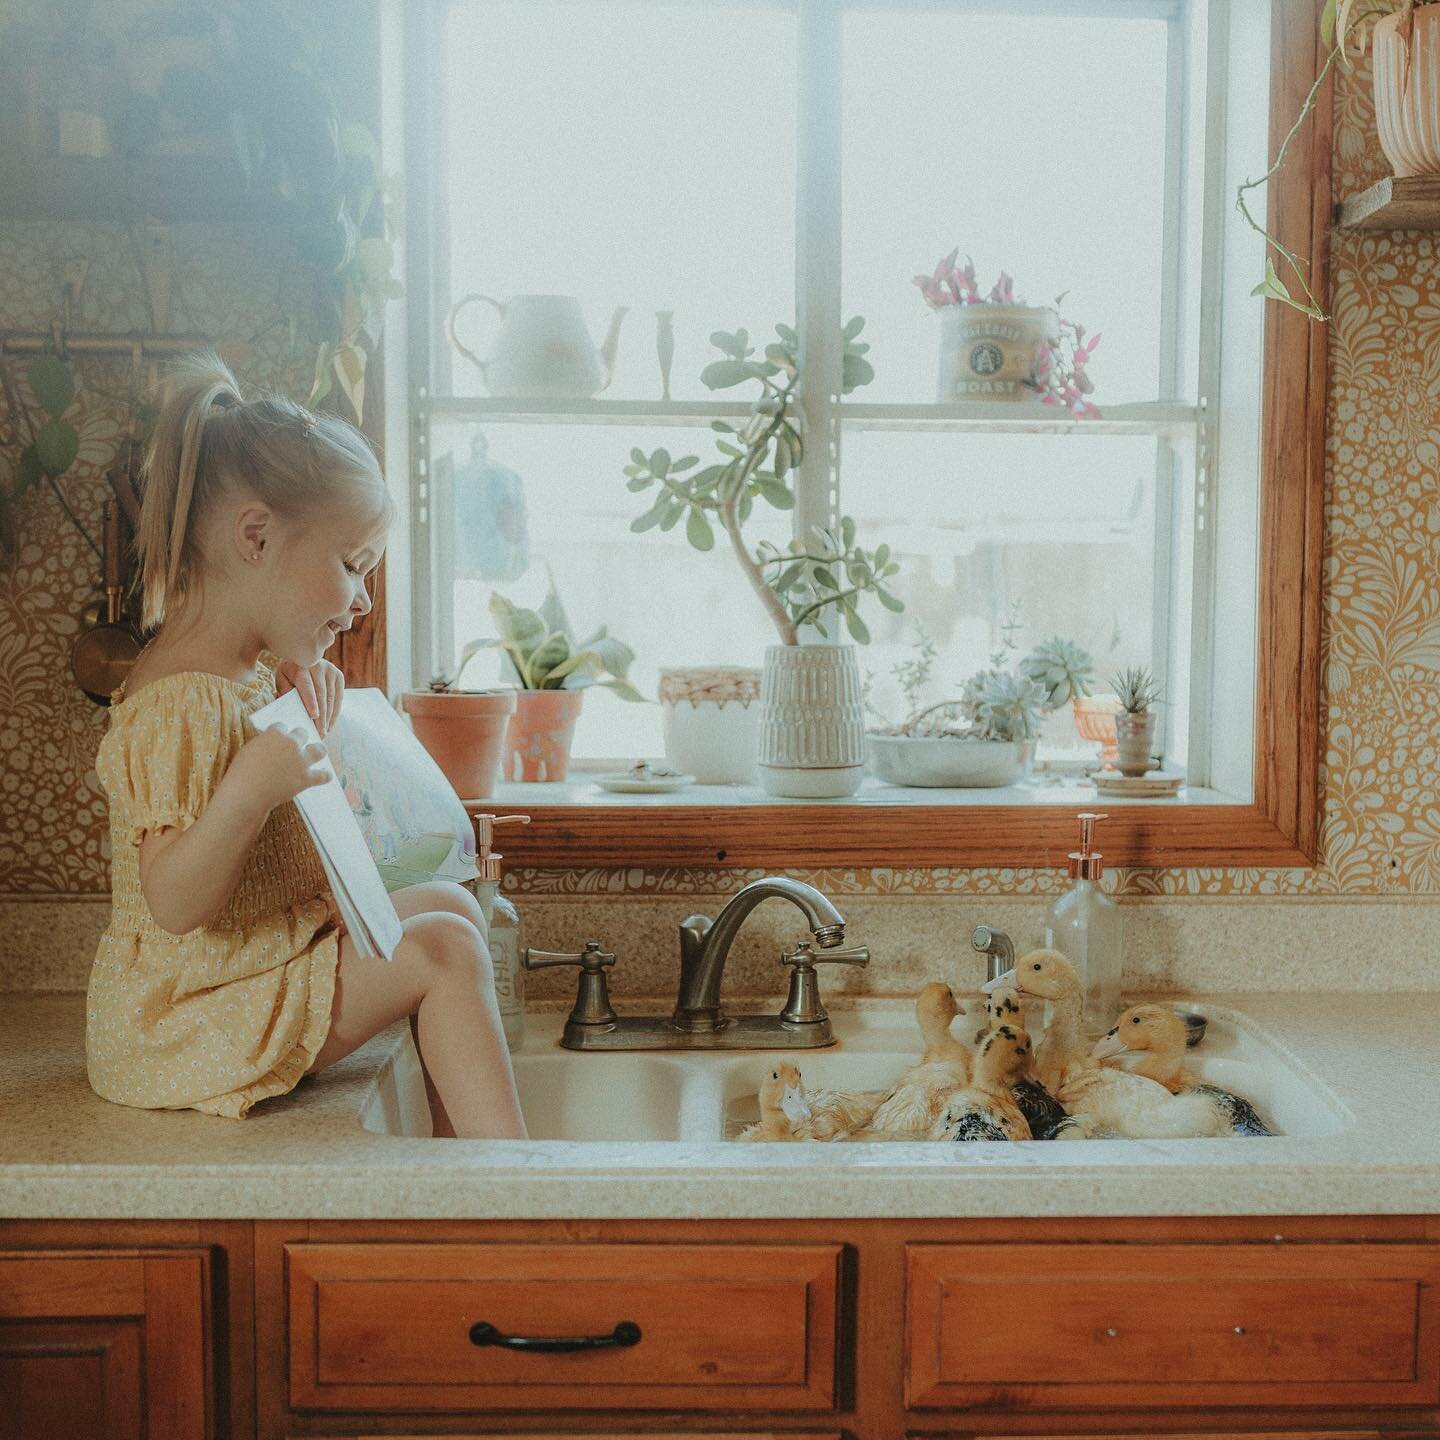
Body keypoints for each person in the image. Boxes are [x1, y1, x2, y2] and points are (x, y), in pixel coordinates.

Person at [87, 352, 526, 1139]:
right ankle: (513, 1195)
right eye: (351, 566)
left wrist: (299, 710)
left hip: (234, 976)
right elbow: (175, 902)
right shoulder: (179, 699)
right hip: (182, 1019)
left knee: (450, 907)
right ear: (255, 536)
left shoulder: (240, 677)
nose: (361, 601)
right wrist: (253, 787)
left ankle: (471, 1170)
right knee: (444, 956)